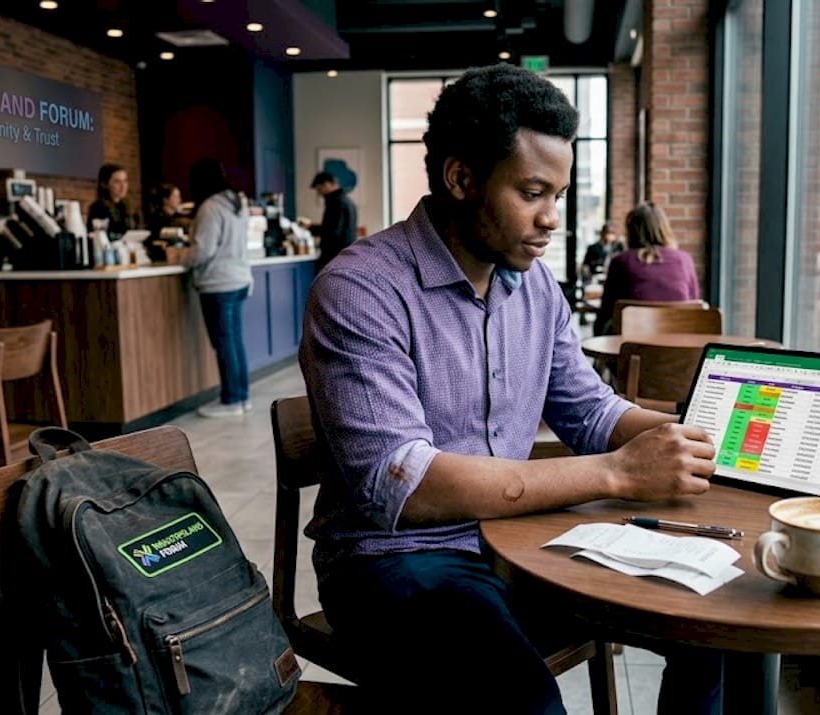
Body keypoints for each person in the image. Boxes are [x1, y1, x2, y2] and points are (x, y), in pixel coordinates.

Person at [300, 63, 723, 714]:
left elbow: (590, 409)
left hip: (517, 540)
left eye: (558, 195)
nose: (552, 219)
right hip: (394, 559)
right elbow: (407, 484)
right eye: (533, 193)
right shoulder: (361, 288)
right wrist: (615, 474)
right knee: (524, 699)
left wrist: (700, 435)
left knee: (709, 627)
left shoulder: (535, 287)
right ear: (462, 178)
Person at [187, 158, 253, 418]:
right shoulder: (237, 202)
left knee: (225, 343)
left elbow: (204, 249)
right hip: (239, 279)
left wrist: (181, 258)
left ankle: (231, 400)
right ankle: (241, 396)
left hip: (218, 283)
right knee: (234, 341)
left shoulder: (210, 207)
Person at [594, 201, 702, 336]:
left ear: (631, 231)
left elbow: (606, 311)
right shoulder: (685, 260)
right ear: (664, 228)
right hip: (679, 350)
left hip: (631, 350)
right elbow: (694, 308)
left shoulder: (620, 261)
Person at [309, 171, 357, 269]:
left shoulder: (335, 203)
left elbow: (332, 231)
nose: (319, 193)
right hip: (346, 256)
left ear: (327, 185)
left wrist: (312, 228)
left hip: (333, 256)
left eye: (319, 189)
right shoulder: (348, 202)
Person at [87, 163, 132, 236]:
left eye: (125, 181)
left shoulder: (125, 207)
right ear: (104, 184)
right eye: (117, 182)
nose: (123, 186)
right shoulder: (98, 208)